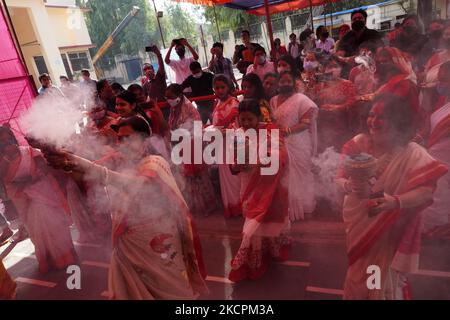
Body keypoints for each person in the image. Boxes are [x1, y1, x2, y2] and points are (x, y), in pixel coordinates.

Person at [44, 116, 208, 299]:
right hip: (130, 241)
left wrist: (86, 166)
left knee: (171, 289)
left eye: (128, 138)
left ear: (145, 140)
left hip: (158, 237)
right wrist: (67, 161)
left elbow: (137, 184)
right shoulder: (119, 159)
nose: (121, 143)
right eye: (119, 139)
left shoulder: (155, 162)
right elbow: (87, 174)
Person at [336, 94, 447, 300]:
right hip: (358, 224)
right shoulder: (358, 143)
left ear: (397, 120)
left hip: (387, 231)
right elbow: (339, 177)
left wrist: (394, 202)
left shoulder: (411, 152)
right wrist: (347, 185)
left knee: (377, 278)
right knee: (357, 272)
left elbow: (426, 191)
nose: (374, 122)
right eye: (371, 115)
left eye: (382, 117)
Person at [228, 99, 290, 282]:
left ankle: (272, 250)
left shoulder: (270, 131)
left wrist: (266, 160)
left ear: (259, 117)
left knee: (267, 221)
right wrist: (238, 165)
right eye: (243, 120)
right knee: (252, 227)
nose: (246, 124)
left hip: (269, 187)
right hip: (248, 187)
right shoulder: (236, 135)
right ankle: (255, 260)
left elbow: (282, 155)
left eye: (250, 120)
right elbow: (232, 168)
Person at [1, 129, 77, 274]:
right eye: (2, 141)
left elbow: (45, 171)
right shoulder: (1, 162)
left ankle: (66, 258)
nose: (7, 143)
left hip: (43, 195)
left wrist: (32, 181)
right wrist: (22, 185)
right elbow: (7, 185)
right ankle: (48, 261)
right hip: (25, 200)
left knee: (55, 227)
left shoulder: (29, 152)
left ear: (13, 138)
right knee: (37, 232)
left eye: (9, 139)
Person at [270, 71, 318, 221]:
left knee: (301, 174)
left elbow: (306, 123)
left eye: (288, 81)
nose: (285, 84)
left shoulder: (302, 100)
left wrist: (288, 131)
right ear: (278, 84)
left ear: (294, 83)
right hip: (280, 143)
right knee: (284, 177)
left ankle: (304, 206)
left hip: (299, 143)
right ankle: (288, 209)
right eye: (282, 81)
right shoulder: (272, 101)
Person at [166, 84, 217, 216]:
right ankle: (194, 206)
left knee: (198, 177)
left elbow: (196, 127)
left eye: (171, 97)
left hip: (193, 145)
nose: (169, 100)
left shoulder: (188, 108)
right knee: (187, 178)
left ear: (179, 96)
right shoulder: (174, 109)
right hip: (181, 146)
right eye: (167, 97)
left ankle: (206, 206)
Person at [422, 61, 450, 233]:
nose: (441, 85)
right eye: (440, 80)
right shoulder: (443, 99)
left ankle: (439, 223)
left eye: (445, 80)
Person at [211, 75, 242, 218]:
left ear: (229, 87)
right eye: (217, 88)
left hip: (233, 144)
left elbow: (237, 126)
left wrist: (221, 131)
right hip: (221, 144)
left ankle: (241, 206)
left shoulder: (234, 103)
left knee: (235, 176)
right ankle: (231, 206)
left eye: (222, 87)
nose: (220, 90)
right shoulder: (217, 103)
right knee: (225, 176)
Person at [314, 58, 357, 151]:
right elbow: (314, 103)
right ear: (324, 70)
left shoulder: (348, 84)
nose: (333, 69)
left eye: (336, 66)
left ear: (341, 68)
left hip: (341, 124)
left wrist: (338, 107)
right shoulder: (320, 86)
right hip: (324, 124)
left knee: (340, 150)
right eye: (329, 67)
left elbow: (352, 101)